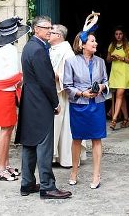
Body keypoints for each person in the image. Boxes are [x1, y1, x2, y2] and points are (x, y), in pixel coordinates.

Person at [19, 15, 71, 199]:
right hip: (40, 103)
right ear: (36, 29)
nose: (50, 31)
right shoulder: (39, 50)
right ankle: (48, 186)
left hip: (29, 102)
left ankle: (27, 183)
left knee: (30, 143)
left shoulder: (28, 47)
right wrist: (55, 103)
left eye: (51, 28)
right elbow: (47, 81)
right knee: (44, 145)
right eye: (46, 28)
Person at [64, 28, 109, 189]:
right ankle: (74, 172)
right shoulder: (71, 62)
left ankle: (96, 175)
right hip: (79, 106)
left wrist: (102, 87)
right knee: (77, 139)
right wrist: (82, 93)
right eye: (92, 41)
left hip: (96, 105)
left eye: (95, 41)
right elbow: (67, 85)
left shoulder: (101, 62)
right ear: (83, 44)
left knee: (97, 139)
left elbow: (106, 82)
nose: (95, 43)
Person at [0, 16, 28, 182]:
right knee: (6, 131)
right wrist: (24, 76)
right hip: (5, 92)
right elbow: (14, 77)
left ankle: (6, 164)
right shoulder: (10, 50)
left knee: (8, 129)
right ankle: (1, 169)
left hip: (2, 92)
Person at [49, 24, 78, 169]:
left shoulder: (67, 52)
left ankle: (65, 157)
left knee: (64, 124)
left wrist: (56, 76)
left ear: (59, 36)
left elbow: (72, 75)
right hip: (51, 92)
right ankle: (53, 156)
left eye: (52, 32)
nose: (49, 33)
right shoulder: (51, 49)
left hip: (62, 94)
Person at [107, 28, 129, 130]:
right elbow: (108, 59)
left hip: (124, 72)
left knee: (119, 94)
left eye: (120, 34)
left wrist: (122, 58)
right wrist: (112, 58)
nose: (118, 36)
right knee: (121, 96)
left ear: (123, 35)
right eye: (116, 34)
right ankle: (126, 118)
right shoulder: (112, 45)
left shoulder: (127, 45)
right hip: (115, 72)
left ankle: (114, 120)